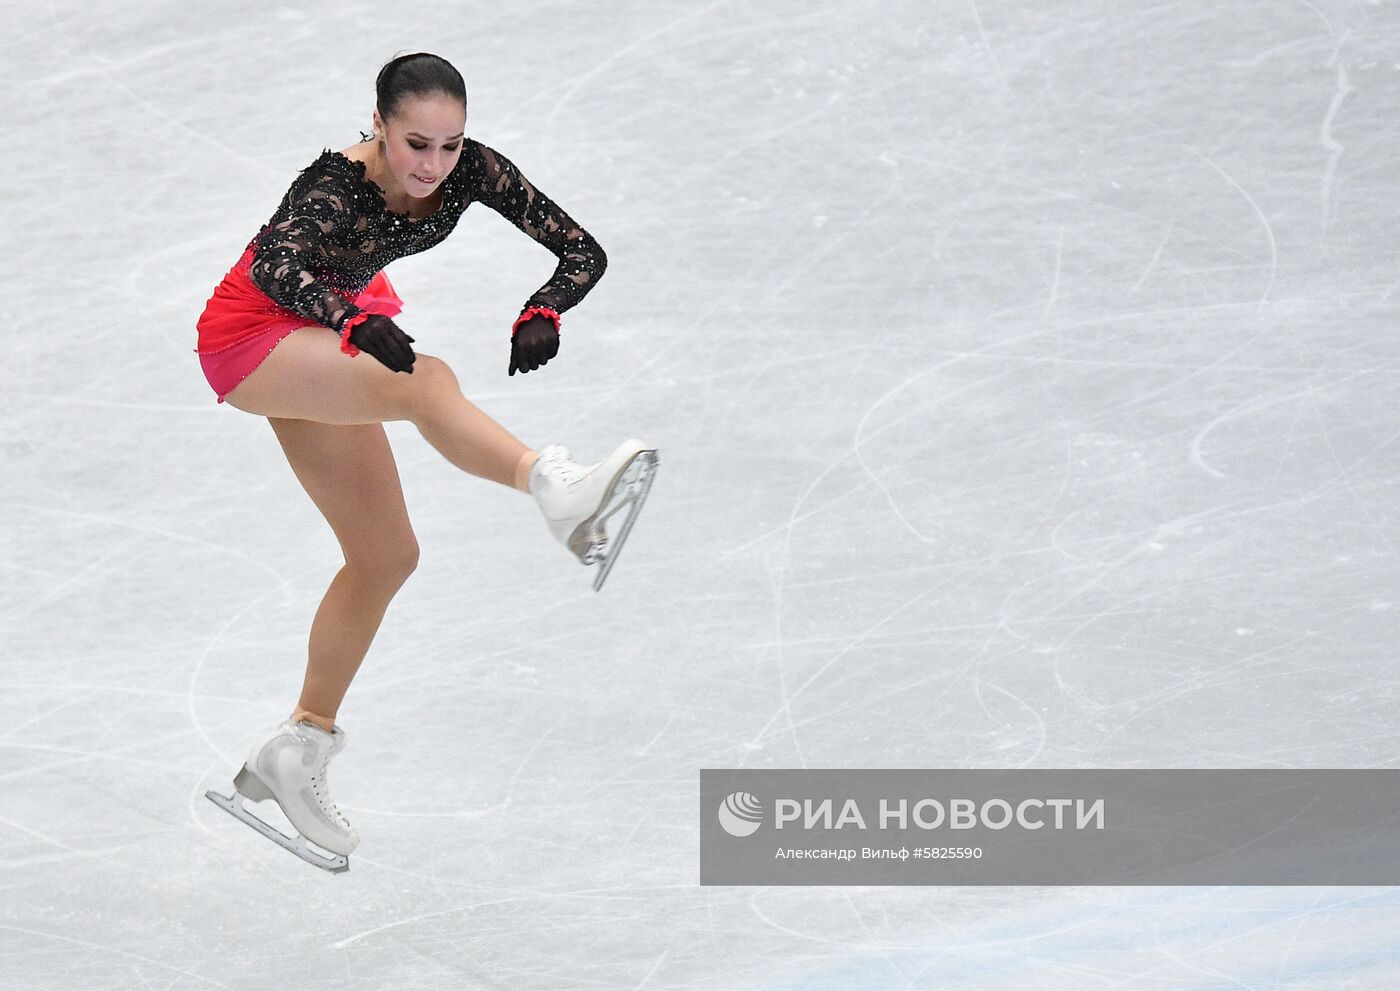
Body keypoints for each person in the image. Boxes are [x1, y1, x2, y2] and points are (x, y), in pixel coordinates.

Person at [198, 51, 659, 872]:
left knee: (386, 556)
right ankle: (557, 488)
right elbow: (277, 264)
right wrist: (345, 317)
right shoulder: (333, 184)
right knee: (427, 378)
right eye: (416, 144)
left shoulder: (469, 170)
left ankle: (297, 747)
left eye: (450, 147)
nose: (433, 166)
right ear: (377, 124)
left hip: (329, 326)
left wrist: (544, 307)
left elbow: (582, 249)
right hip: (255, 333)